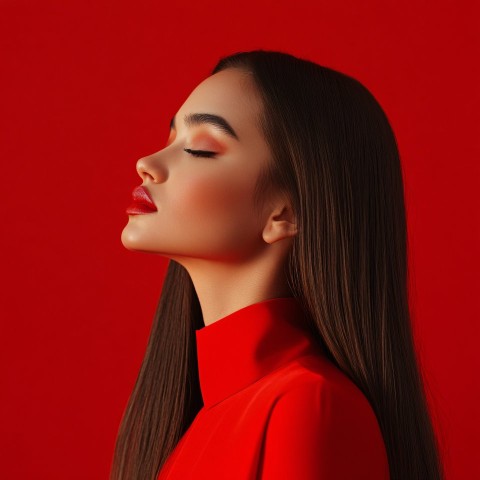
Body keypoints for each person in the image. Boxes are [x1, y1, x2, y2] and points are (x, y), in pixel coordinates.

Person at [111, 50, 444, 480]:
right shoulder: (195, 425)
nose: (148, 164)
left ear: (285, 213)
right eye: (172, 137)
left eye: (199, 148)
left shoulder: (309, 406)